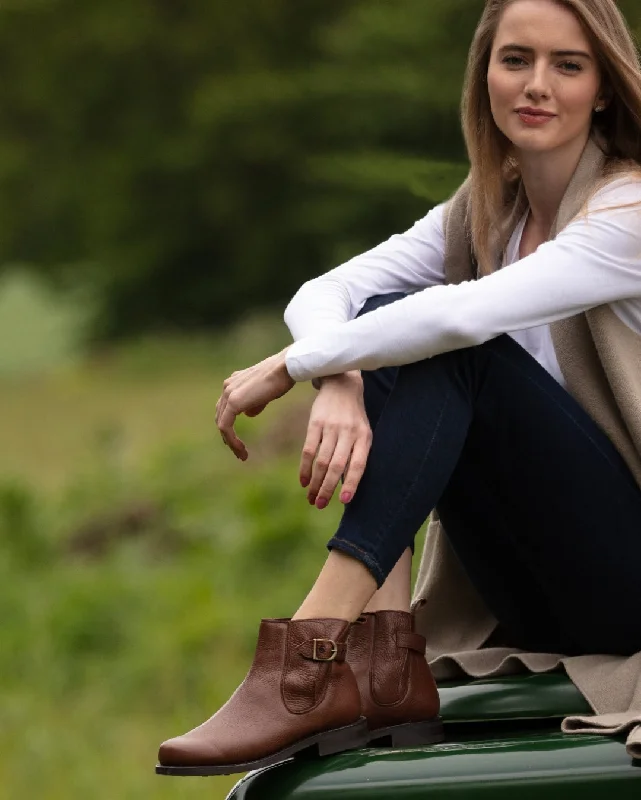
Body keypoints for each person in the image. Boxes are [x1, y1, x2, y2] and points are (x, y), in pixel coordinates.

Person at [156, 0, 641, 777]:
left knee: (449, 345)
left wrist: (290, 366)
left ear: (604, 88)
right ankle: (383, 663)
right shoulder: (482, 212)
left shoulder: (627, 211)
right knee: (389, 322)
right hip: (530, 582)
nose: (536, 85)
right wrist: (336, 378)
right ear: (483, 72)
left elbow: (460, 317)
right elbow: (327, 291)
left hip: (627, 578)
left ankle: (310, 655)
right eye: (514, 59)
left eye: (568, 65)